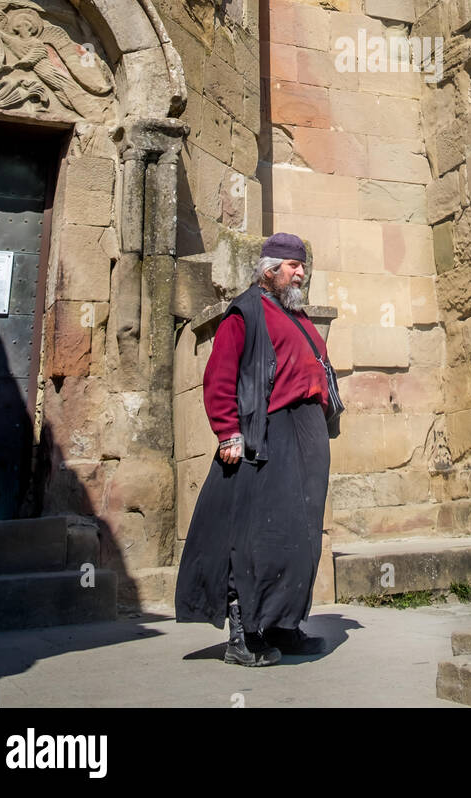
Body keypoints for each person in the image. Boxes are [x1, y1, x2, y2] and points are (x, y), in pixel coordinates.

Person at [175, 232, 330, 665]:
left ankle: (285, 625)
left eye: (302, 264)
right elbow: (220, 376)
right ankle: (242, 638)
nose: (301, 271)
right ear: (269, 269)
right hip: (270, 435)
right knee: (259, 538)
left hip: (307, 435)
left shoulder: (295, 315)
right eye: (292, 265)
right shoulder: (246, 312)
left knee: (302, 539)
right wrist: (228, 432)